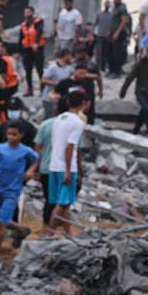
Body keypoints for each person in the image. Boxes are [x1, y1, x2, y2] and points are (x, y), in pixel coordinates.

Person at [0, 122, 40, 252]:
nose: (11, 137)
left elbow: (36, 159)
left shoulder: (25, 151)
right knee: (0, 218)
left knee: (1, 224)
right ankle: (21, 229)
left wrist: (30, 171)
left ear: (21, 135)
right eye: (9, 134)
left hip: (13, 190)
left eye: (14, 134)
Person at [47, 89, 89, 234]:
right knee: (61, 204)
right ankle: (48, 235)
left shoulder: (58, 119)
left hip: (54, 165)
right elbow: (70, 147)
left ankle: (68, 234)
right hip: (66, 167)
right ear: (83, 104)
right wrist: (68, 171)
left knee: (65, 204)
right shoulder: (77, 122)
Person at [18, 6, 47, 96]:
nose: (27, 14)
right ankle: (30, 90)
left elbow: (39, 31)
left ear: (32, 13)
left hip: (37, 49)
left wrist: (36, 43)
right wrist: (18, 51)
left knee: (39, 70)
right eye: (25, 12)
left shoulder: (38, 22)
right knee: (28, 70)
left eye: (29, 12)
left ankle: (43, 90)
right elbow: (21, 38)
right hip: (27, 50)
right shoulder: (23, 25)